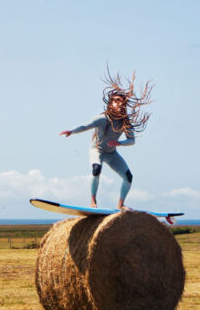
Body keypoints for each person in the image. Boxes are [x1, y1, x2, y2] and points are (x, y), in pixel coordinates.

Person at [60, 68, 153, 209]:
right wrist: (72, 131)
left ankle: (120, 205)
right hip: (97, 150)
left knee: (129, 177)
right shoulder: (103, 118)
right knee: (96, 169)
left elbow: (132, 140)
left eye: (122, 102)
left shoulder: (125, 122)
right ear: (110, 104)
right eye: (117, 102)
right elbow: (86, 125)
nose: (120, 104)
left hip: (112, 154)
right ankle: (93, 201)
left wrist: (119, 143)